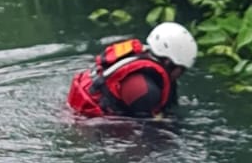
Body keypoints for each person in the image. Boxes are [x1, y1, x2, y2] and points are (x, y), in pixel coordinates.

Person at [66, 21, 198, 119]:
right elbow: (143, 134)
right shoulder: (145, 91)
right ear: (168, 62)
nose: (180, 75)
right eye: (181, 70)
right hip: (87, 122)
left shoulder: (144, 56)